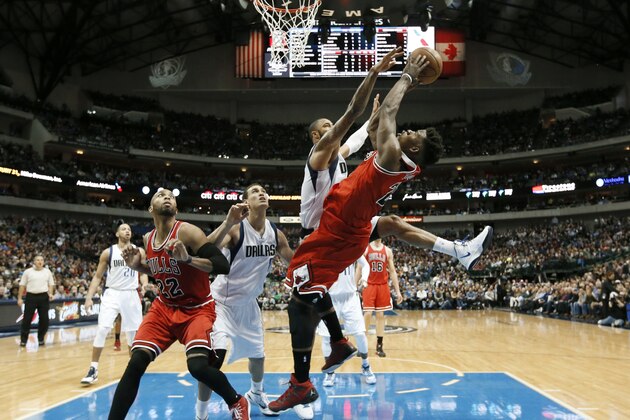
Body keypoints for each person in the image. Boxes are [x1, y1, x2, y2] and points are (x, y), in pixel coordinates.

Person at [270, 53, 493, 413]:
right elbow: (369, 133)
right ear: (317, 135)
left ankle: (301, 383)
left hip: (335, 231)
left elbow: (377, 119)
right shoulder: (348, 155)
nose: (408, 131)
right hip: (349, 227)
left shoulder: (388, 154)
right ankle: (458, 251)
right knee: (385, 227)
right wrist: (375, 120)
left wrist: (404, 77)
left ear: (414, 148)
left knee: (299, 298)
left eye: (414, 134)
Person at [108, 189, 250, 420]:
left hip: (196, 309)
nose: (167, 197)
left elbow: (221, 264)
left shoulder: (187, 231)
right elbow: (159, 270)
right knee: (136, 362)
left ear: (176, 207)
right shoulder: (147, 239)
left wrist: (188, 259)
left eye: (171, 196)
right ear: (150, 208)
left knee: (197, 368)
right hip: (164, 308)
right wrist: (138, 267)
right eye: (160, 195)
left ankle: (236, 401)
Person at [195, 184, 294, 420]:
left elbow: (294, 260)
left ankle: (257, 394)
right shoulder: (237, 231)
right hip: (221, 303)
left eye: (263, 191)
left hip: (249, 303)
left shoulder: (275, 234)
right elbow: (205, 249)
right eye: (255, 192)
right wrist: (228, 222)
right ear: (246, 203)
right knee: (213, 360)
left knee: (258, 355)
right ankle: (200, 413)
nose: (261, 193)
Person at [80, 223, 149, 385]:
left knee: (133, 335)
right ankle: (93, 368)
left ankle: (134, 369)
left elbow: (143, 272)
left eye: (129, 229)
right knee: (103, 329)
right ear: (117, 233)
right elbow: (97, 277)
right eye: (124, 229)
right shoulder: (108, 252)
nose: (127, 231)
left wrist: (145, 284)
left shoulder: (139, 251)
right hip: (112, 293)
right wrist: (89, 297)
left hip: (131, 293)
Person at [361, 238, 401, 358]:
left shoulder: (388, 251)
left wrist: (398, 291)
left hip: (382, 285)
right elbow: (359, 268)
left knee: (380, 315)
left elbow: (392, 272)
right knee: (367, 313)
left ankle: (379, 346)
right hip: (369, 284)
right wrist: (354, 285)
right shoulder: (366, 249)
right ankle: (363, 345)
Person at [17, 255, 55, 346]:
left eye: (42, 260)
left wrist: (50, 294)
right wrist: (19, 298)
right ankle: (23, 340)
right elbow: (22, 285)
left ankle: (41, 338)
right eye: (38, 260)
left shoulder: (47, 272)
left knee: (44, 320)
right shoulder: (28, 272)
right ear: (34, 261)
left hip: (43, 297)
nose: (40, 261)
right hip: (31, 297)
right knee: (27, 319)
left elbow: (51, 285)